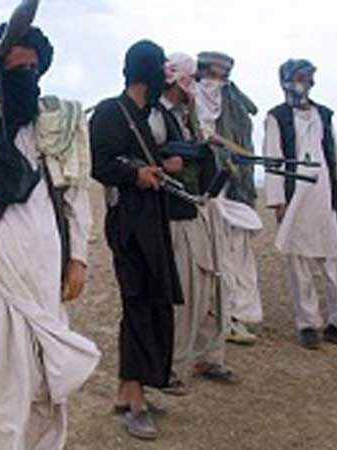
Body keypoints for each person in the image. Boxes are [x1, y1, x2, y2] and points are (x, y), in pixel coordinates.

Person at [0, 24, 100, 450]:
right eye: (15, 68)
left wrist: (78, 257)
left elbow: (76, 196)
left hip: (47, 267)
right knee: (3, 373)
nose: (26, 76)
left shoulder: (58, 122)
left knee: (45, 379)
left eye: (32, 68)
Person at [90, 40, 184, 440]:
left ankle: (128, 390)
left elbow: (139, 160)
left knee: (153, 299)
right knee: (138, 303)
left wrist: (162, 167)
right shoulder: (111, 112)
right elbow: (100, 164)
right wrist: (136, 175)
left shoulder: (143, 116)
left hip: (151, 219)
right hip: (128, 223)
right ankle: (135, 402)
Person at [149, 52, 238, 390]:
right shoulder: (156, 116)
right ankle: (171, 364)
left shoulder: (188, 116)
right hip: (175, 215)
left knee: (210, 286)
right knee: (185, 293)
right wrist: (168, 163)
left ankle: (207, 355)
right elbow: (149, 158)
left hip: (199, 210)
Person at [263, 59, 337, 350]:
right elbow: (272, 159)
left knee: (334, 258)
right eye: (302, 77)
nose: (308, 83)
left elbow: (333, 155)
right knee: (299, 261)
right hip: (295, 196)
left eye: (310, 78)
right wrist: (277, 200)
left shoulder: (324, 114)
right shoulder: (277, 117)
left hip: (325, 195)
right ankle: (308, 324)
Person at [195, 51, 263, 345]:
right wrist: (226, 147)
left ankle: (237, 315)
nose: (218, 80)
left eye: (224, 75)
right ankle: (220, 316)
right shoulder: (192, 99)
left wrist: (238, 154)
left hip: (236, 187)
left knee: (238, 250)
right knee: (215, 254)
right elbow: (203, 134)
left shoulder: (234, 103)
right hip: (208, 187)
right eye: (214, 73)